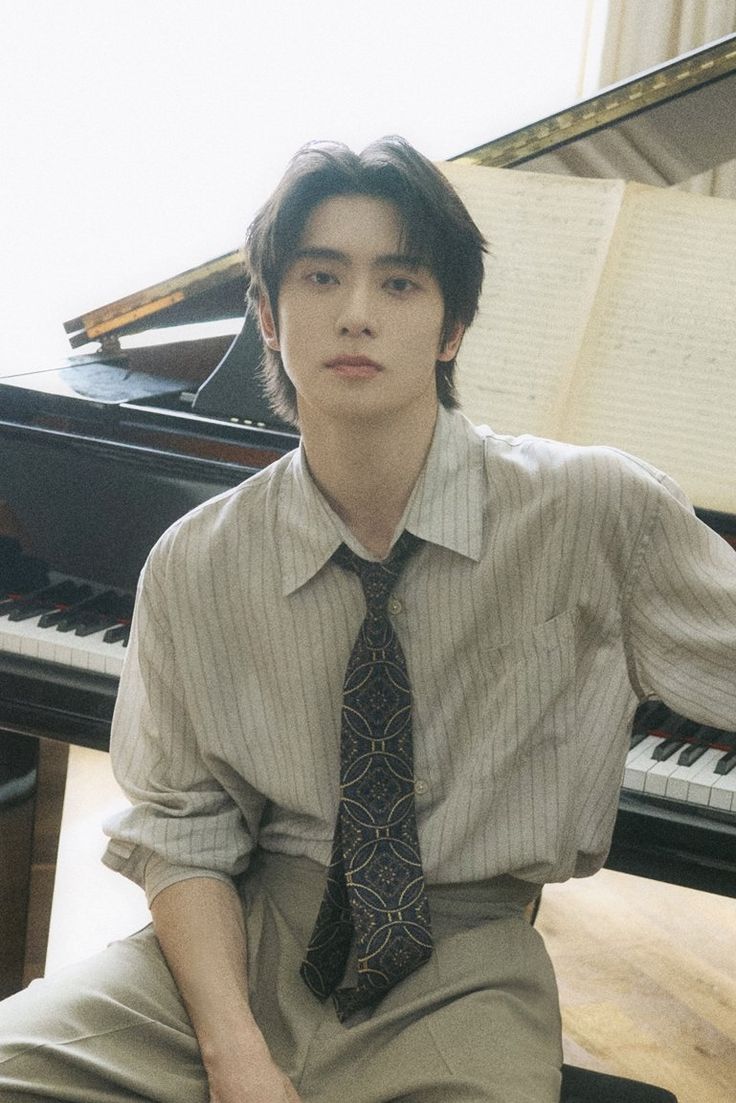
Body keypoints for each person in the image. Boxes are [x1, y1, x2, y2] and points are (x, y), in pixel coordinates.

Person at [1, 135, 735, 1103]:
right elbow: (180, 831)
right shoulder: (197, 559)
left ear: (450, 328)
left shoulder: (597, 510)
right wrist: (235, 1055)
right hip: (238, 945)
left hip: (464, 963)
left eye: (399, 283)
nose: (354, 313)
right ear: (266, 313)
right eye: (320, 276)